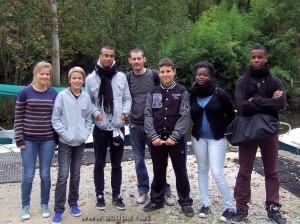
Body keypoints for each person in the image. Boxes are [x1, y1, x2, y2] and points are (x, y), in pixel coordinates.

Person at [231, 44, 286, 224]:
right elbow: (241, 106)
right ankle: (241, 208)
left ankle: (273, 207)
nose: (256, 60)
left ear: (265, 58)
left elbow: (281, 103)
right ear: (250, 58)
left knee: (271, 171)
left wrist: (255, 100)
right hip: (248, 130)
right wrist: (270, 101)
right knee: (244, 170)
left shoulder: (275, 81)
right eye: (253, 57)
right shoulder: (242, 81)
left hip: (269, 130)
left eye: (259, 57)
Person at [143, 58, 194, 217]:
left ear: (174, 72)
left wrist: (175, 136)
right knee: (158, 170)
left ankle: (185, 201)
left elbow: (185, 115)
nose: (165, 74)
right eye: (162, 72)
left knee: (180, 171)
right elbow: (148, 114)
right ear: (158, 73)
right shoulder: (153, 92)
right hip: (157, 139)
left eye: (168, 71)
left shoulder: (182, 91)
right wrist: (152, 136)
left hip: (176, 140)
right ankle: (157, 200)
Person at [85, 45, 132, 211]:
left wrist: (124, 115)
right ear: (100, 56)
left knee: (117, 165)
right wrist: (96, 113)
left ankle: (117, 195)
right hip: (100, 127)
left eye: (111, 56)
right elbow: (88, 101)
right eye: (106, 55)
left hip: (117, 127)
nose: (109, 58)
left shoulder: (121, 77)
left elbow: (127, 98)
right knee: (99, 163)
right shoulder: (91, 78)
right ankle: (99, 195)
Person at [126, 48, 174, 205]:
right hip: (134, 124)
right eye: (134, 59)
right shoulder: (127, 78)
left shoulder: (153, 75)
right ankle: (142, 188)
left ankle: (164, 190)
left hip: (153, 126)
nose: (136, 62)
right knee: (139, 159)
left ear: (144, 59)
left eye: (139, 58)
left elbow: (164, 94)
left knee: (158, 160)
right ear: (130, 61)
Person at [189, 61, 236, 222]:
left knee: (217, 172)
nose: (201, 77)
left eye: (205, 74)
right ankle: (204, 204)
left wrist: (227, 133)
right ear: (195, 75)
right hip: (198, 138)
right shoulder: (192, 94)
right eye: (199, 74)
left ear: (210, 76)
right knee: (202, 169)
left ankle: (230, 207)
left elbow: (231, 115)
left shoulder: (219, 93)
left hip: (218, 138)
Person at [14, 61, 58, 220]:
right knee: (28, 174)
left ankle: (44, 204)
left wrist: (57, 138)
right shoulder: (25, 92)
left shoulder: (53, 93)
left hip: (48, 140)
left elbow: (56, 117)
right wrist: (19, 139)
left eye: (47, 74)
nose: (44, 76)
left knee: (45, 174)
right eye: (42, 73)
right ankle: (25, 206)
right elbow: (18, 117)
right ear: (35, 74)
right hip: (28, 139)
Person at [51, 67, 93, 224]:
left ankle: (73, 202)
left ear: (83, 80)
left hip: (80, 143)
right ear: (69, 79)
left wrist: (85, 134)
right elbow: (55, 119)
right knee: (63, 176)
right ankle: (58, 209)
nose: (76, 81)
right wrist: (65, 134)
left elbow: (89, 118)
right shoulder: (62, 96)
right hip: (65, 143)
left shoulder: (86, 98)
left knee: (76, 174)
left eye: (79, 78)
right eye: (74, 78)